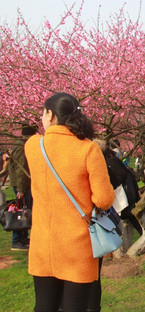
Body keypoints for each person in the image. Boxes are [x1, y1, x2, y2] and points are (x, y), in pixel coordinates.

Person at [24, 92, 115, 312]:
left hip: (43, 244)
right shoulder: (88, 149)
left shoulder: (33, 146)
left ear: (50, 115)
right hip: (77, 245)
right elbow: (103, 199)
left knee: (44, 306)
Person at [0, 125, 37, 251]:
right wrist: (21, 189)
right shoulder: (22, 147)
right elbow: (21, 170)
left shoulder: (19, 145)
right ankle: (17, 240)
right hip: (22, 185)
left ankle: (23, 238)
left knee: (23, 211)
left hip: (22, 184)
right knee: (20, 212)